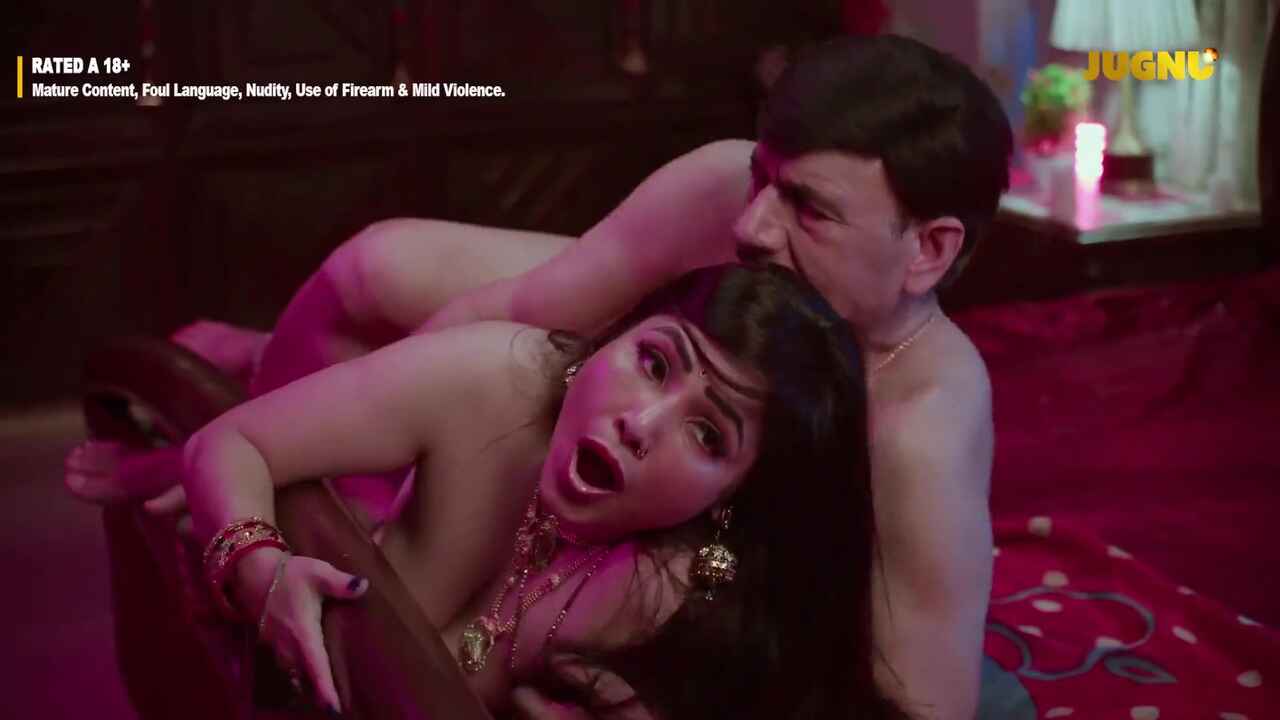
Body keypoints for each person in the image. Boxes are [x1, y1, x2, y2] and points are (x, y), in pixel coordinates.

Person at [68, 34, 1012, 719]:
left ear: (928, 251)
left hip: (686, 426)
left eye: (807, 208)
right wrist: (288, 449)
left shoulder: (919, 431)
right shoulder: (737, 198)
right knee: (374, 268)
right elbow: (521, 313)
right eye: (764, 177)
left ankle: (259, 365)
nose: (752, 226)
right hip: (654, 319)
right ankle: (261, 367)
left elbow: (923, 704)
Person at [180, 264, 907, 719]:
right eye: (654, 363)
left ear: (733, 495)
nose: (640, 423)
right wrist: (259, 567)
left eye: (708, 435)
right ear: (614, 339)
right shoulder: (494, 380)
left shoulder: (671, 593)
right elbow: (229, 443)